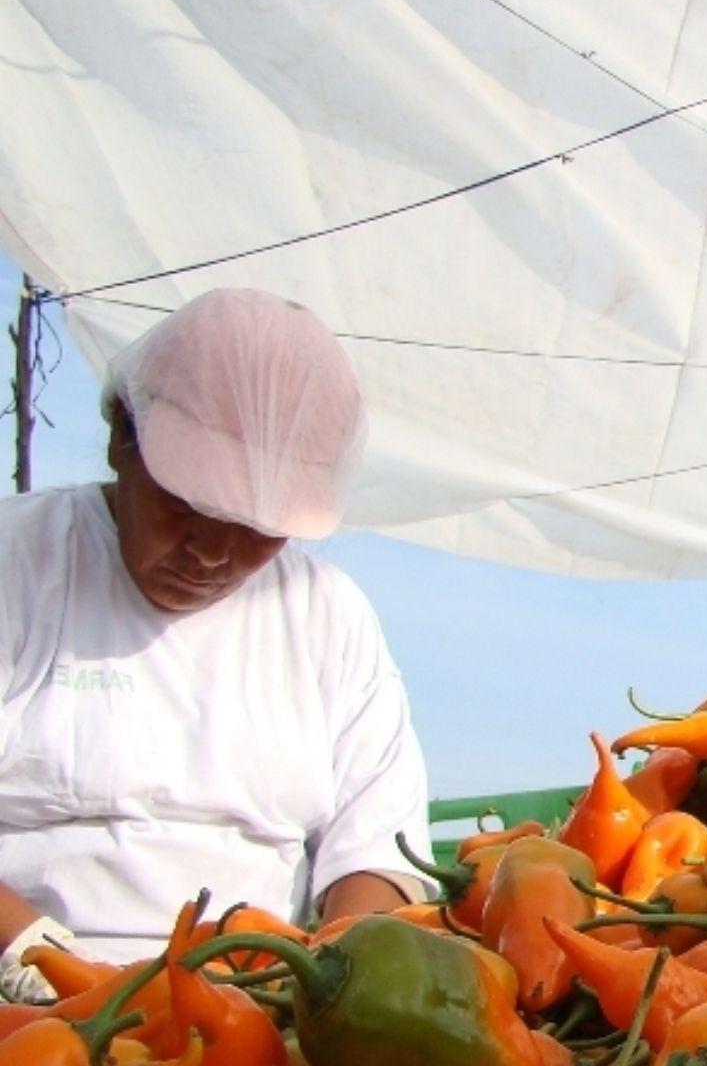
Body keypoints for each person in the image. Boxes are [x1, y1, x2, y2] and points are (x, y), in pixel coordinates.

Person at [0, 288, 432, 992]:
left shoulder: (327, 616)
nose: (211, 553)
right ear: (120, 436)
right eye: (187, 506)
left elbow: (376, 850)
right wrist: (33, 957)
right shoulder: (17, 563)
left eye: (258, 529)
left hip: (254, 1009)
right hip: (28, 1005)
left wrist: (327, 984)